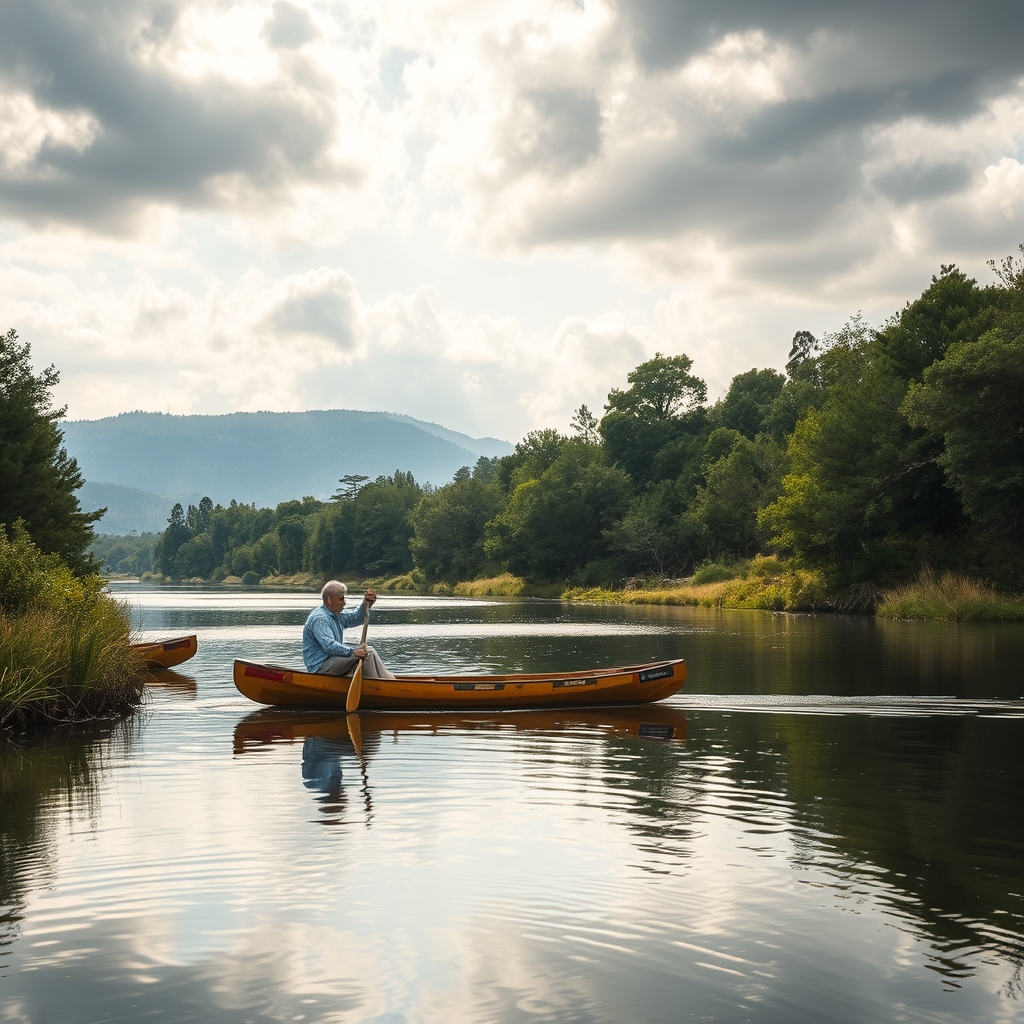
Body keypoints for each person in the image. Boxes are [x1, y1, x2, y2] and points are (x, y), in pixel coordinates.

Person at [302, 580, 395, 679]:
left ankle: (384, 679)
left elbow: (355, 617)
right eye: (341, 599)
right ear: (329, 599)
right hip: (320, 666)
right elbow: (329, 646)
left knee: (368, 651)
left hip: (332, 660)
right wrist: (352, 652)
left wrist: (366, 604)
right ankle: (380, 684)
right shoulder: (320, 618)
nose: (344, 603)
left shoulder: (336, 615)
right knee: (368, 653)